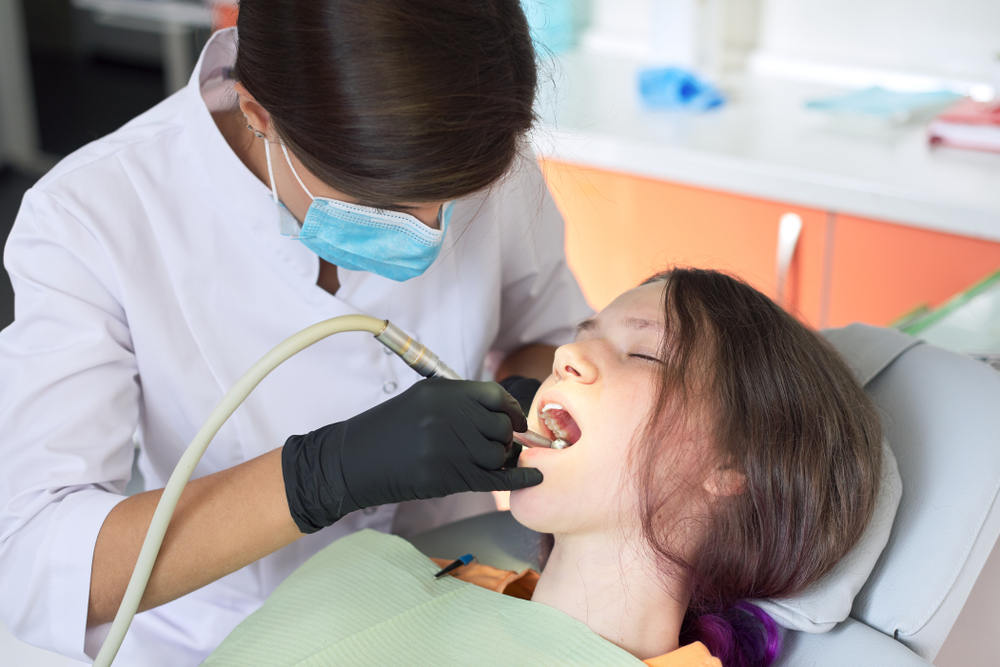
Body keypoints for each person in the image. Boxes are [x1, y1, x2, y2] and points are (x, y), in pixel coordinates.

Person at [0, 2, 590, 664]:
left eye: (450, 202)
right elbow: (33, 557)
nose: (428, 227)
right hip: (225, 642)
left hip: (453, 605)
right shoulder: (93, 217)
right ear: (258, 115)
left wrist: (533, 396)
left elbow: (548, 330)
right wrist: (321, 474)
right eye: (384, 202)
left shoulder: (464, 132)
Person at [207, 268, 884, 666]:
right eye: (584, 333)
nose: (563, 357)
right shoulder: (379, 566)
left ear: (735, 466)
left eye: (645, 354)